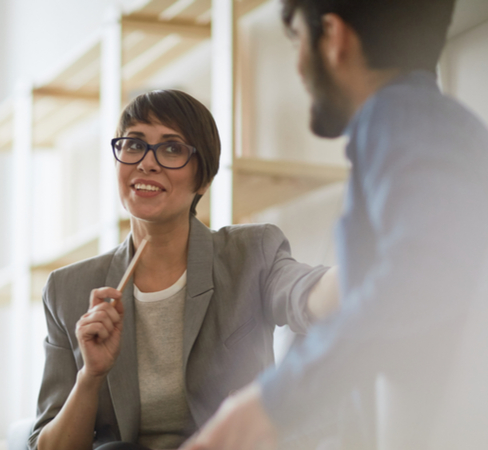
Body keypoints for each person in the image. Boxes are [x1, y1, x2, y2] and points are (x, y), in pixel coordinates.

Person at [182, 1, 488, 449]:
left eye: (297, 39)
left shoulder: (398, 115)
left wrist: (266, 408)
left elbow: (418, 284)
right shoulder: (438, 126)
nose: (298, 66)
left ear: (334, 37)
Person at [29, 89, 340, 450]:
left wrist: (372, 272)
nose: (147, 162)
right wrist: (91, 376)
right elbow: (49, 446)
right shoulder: (67, 289)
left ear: (203, 179)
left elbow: (305, 291)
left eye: (172, 148)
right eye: (133, 145)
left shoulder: (251, 253)